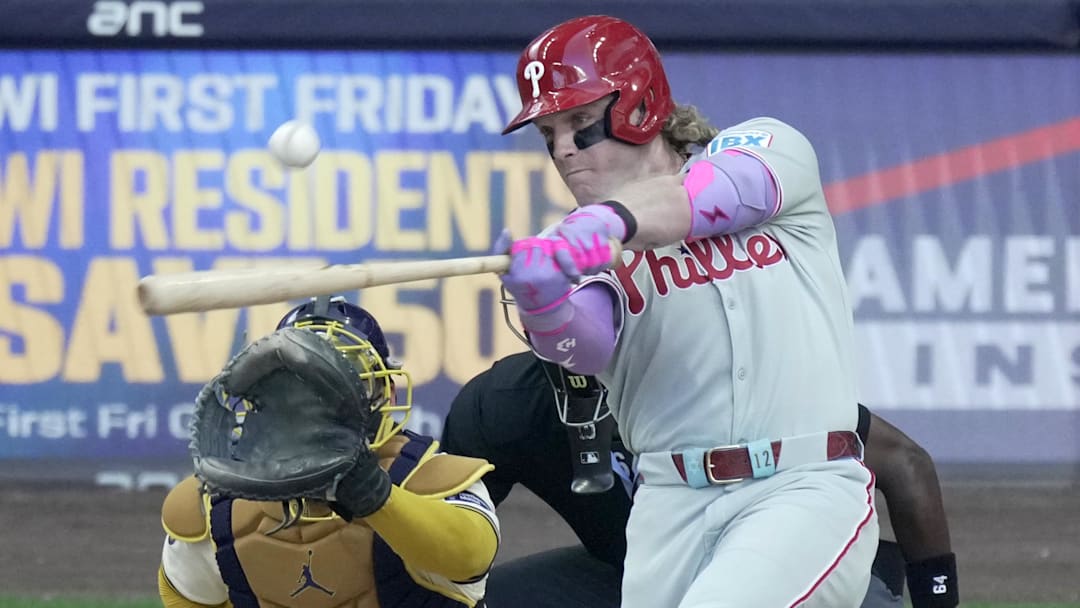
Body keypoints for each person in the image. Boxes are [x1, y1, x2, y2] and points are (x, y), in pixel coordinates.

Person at [495, 14, 878, 607]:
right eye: (548, 134)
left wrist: (614, 219)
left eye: (578, 123)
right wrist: (542, 303)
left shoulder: (769, 148)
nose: (563, 150)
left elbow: (714, 194)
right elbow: (589, 345)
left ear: (639, 105)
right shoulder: (574, 247)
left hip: (802, 485)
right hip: (668, 509)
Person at [441, 351, 960, 608]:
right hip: (640, 579)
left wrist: (937, 600)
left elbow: (904, 461)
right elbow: (446, 542)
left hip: (787, 567)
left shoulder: (725, 372)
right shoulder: (502, 406)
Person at [156, 296, 499, 608]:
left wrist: (376, 496)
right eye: (300, 389)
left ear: (386, 395)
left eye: (345, 387)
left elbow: (471, 558)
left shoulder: (431, 480)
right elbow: (186, 595)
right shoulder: (218, 504)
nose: (318, 409)